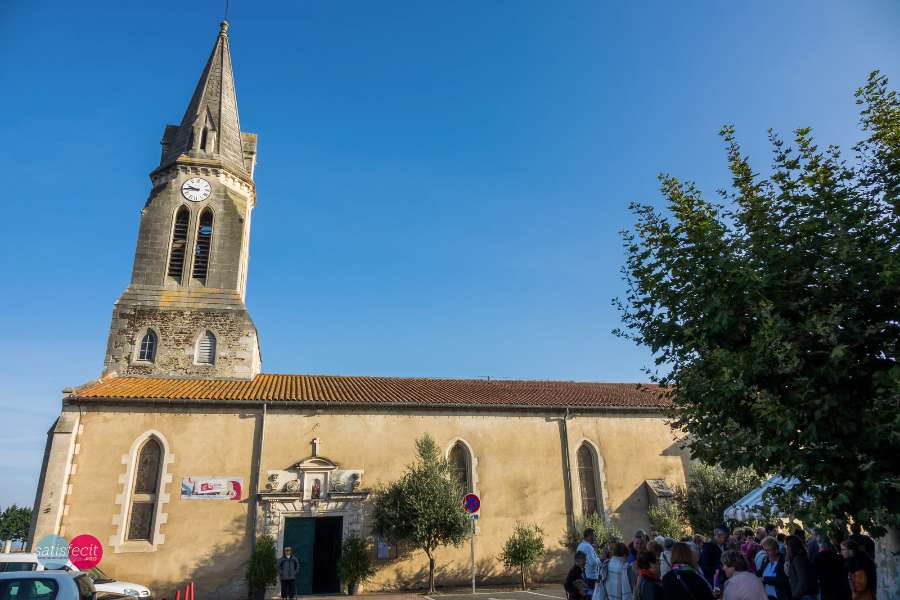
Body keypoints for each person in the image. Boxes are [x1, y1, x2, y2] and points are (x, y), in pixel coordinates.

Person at [813, 530, 850, 600]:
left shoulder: (816, 558)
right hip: (841, 590)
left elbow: (815, 575)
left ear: (818, 544)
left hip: (826, 591)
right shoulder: (838, 557)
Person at [784, 534, 818, 600]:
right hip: (806, 594)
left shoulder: (798, 559)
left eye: (786, 545)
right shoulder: (800, 557)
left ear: (790, 546)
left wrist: (795, 595)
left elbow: (803, 580)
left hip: (804, 595)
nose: (785, 548)